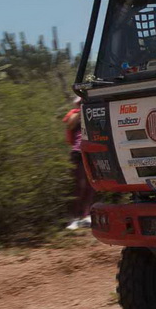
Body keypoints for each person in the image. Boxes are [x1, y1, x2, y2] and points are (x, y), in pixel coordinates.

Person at [62, 96, 93, 230]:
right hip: (78, 153)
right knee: (78, 186)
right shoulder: (74, 114)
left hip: (92, 152)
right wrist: (81, 110)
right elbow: (70, 124)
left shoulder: (93, 113)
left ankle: (86, 215)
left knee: (90, 185)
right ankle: (74, 217)